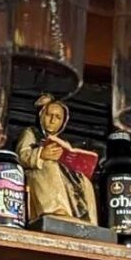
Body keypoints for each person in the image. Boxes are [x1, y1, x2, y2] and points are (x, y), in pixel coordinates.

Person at [15, 92, 98, 225]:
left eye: (58, 117)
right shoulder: (31, 133)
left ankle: (87, 219)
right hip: (38, 172)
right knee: (50, 165)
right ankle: (56, 210)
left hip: (64, 174)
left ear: (63, 122)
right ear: (42, 115)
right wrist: (41, 154)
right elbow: (21, 155)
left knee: (85, 181)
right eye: (49, 115)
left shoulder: (62, 142)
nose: (53, 121)